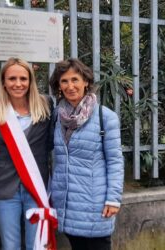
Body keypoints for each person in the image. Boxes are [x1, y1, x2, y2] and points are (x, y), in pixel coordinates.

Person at [49, 58, 124, 250]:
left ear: (86, 82)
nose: (70, 86)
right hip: (67, 203)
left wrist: (113, 198)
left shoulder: (104, 117)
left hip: (95, 204)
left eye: (75, 80)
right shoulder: (57, 115)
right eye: (64, 81)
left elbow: (115, 161)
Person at [0, 57, 53, 250]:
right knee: (10, 245)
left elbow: (49, 143)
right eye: (12, 78)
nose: (18, 84)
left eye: (23, 79)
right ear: (4, 82)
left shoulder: (46, 105)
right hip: (5, 188)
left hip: (36, 185)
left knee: (37, 245)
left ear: (30, 81)